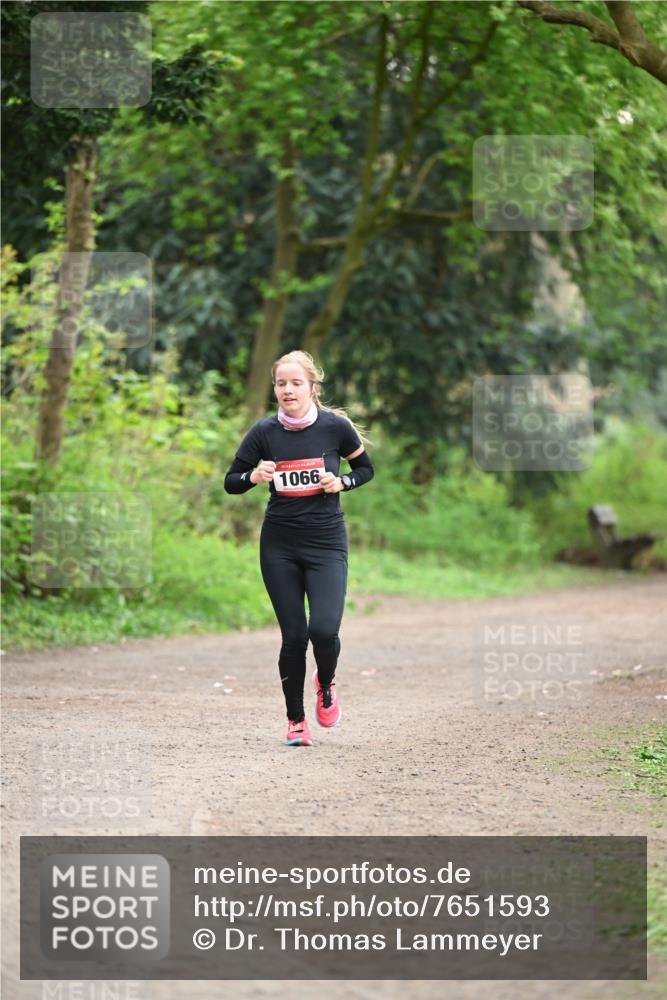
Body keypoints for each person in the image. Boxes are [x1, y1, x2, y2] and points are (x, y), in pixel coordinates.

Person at [224, 350, 375, 747]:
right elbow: (231, 481)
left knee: (324, 631)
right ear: (274, 388)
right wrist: (253, 475)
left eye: (295, 383)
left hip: (326, 543)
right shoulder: (264, 432)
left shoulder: (335, 428)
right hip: (280, 545)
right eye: (280, 383)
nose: (287, 390)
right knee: (294, 637)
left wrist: (342, 483)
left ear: (312, 387)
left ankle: (325, 682)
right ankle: (295, 721)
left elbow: (366, 469)